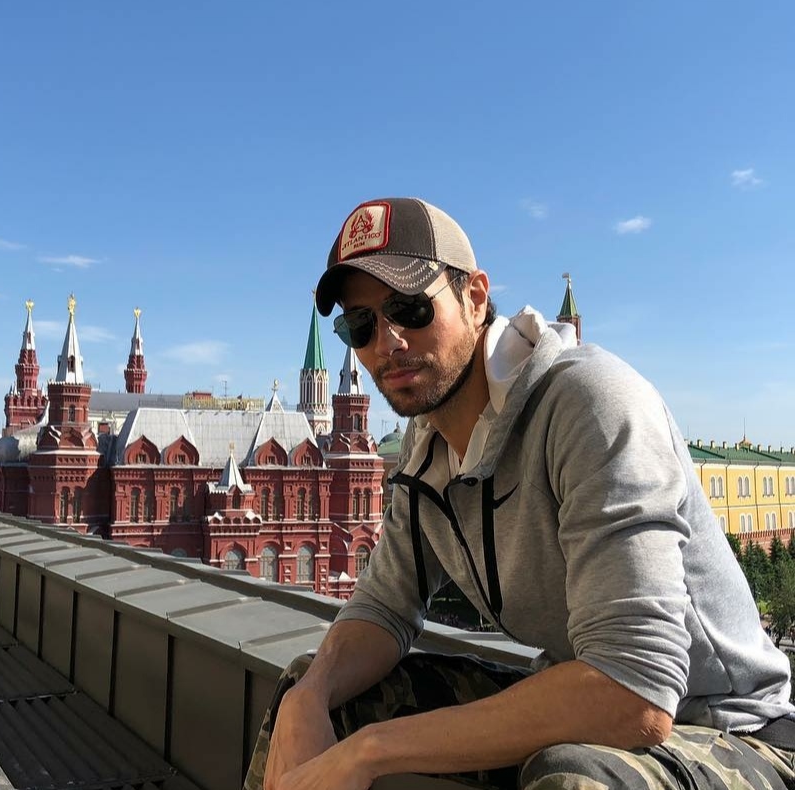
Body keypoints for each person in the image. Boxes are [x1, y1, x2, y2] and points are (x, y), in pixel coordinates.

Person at [244, 197, 795, 790]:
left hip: (732, 730)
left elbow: (635, 690)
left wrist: (370, 751)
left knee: (576, 777)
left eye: (409, 307)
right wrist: (311, 694)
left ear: (475, 297)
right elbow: (383, 607)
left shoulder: (591, 404)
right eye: (360, 324)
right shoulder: (427, 445)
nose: (387, 341)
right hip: (581, 701)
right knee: (313, 690)